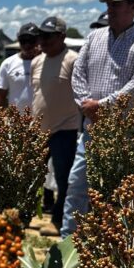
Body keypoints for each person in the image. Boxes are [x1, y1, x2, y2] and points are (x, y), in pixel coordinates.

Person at [61, 0, 134, 236]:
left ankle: (106, 248)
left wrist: (100, 106)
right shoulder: (95, 37)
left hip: (125, 133)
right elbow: (78, 72)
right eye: (108, 4)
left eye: (116, 4)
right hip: (93, 128)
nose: (110, 9)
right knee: (78, 186)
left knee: (117, 194)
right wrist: (85, 103)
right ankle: (69, 242)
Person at [31, 16, 80, 230]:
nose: (42, 41)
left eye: (48, 36)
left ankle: (58, 220)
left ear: (62, 36)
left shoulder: (73, 60)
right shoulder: (37, 61)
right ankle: (25, 216)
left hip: (65, 129)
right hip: (39, 129)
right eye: (41, 36)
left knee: (63, 178)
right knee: (31, 175)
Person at [0, 23, 39, 109]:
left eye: (31, 41)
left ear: (39, 40)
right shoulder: (8, 63)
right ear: (18, 39)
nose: (27, 45)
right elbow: (1, 94)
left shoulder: (47, 62)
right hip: (16, 120)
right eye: (23, 40)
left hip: (43, 120)